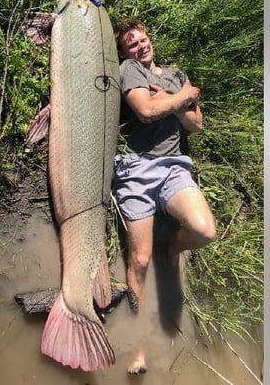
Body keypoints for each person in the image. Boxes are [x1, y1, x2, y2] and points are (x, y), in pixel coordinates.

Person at [112, 19, 217, 374]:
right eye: (132, 44)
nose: (140, 46)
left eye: (142, 40)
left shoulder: (174, 74)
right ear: (125, 52)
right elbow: (145, 111)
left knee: (204, 231)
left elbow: (196, 125)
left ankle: (173, 246)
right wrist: (183, 98)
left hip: (174, 167)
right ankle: (138, 348)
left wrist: (171, 99)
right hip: (137, 169)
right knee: (139, 262)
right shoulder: (129, 70)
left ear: (149, 39)